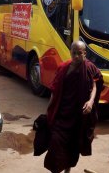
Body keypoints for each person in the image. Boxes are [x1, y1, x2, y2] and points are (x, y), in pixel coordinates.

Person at [44, 41, 104, 173]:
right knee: (56, 146)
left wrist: (90, 101)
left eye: (79, 53)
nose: (76, 56)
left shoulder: (89, 67)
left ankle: (67, 171)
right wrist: (49, 110)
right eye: (74, 53)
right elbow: (55, 90)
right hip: (62, 113)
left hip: (77, 117)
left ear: (85, 53)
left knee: (72, 147)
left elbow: (95, 84)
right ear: (70, 53)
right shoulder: (63, 68)